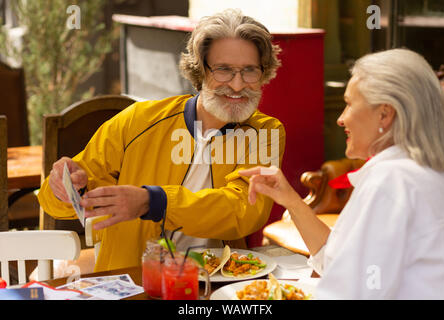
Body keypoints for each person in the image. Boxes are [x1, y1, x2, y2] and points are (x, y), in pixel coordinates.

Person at [38, 9, 285, 272]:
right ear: (200, 70)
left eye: (249, 71)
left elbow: (243, 211)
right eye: (223, 70)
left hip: (218, 284)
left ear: (264, 73)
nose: (237, 85)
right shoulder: (137, 121)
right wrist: (64, 189)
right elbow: (60, 204)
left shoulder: (265, 133)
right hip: (131, 283)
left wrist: (154, 201)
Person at [240, 48, 444, 299]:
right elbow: (338, 259)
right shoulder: (425, 172)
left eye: (349, 104)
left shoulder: (391, 180)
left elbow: (352, 291)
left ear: (385, 113)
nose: (341, 119)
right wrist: (291, 200)